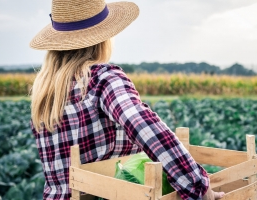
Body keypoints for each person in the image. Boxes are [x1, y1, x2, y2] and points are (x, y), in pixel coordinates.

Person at [29, 0, 225, 199]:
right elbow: (143, 125)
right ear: (103, 39)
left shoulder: (44, 94)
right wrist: (198, 186)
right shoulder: (102, 79)